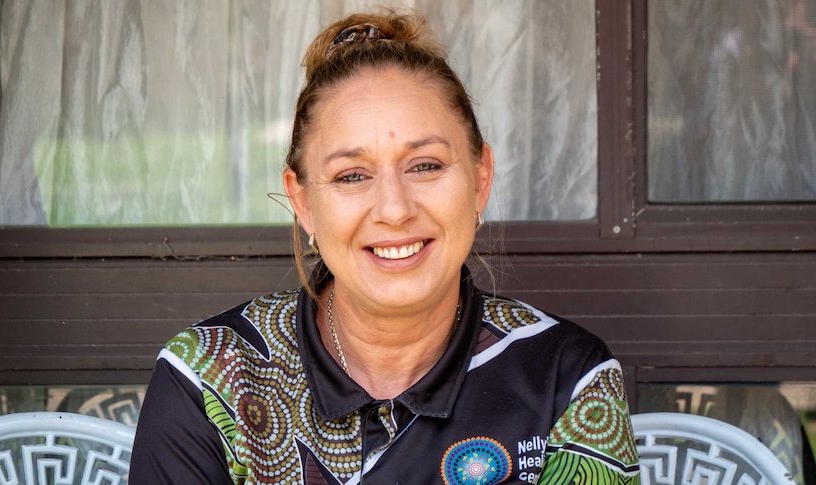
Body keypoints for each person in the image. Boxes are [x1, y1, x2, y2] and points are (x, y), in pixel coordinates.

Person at [130, 8, 639, 484]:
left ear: (480, 179)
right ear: (303, 201)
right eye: (352, 175)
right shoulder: (209, 376)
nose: (394, 209)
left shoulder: (568, 378)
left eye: (426, 166)